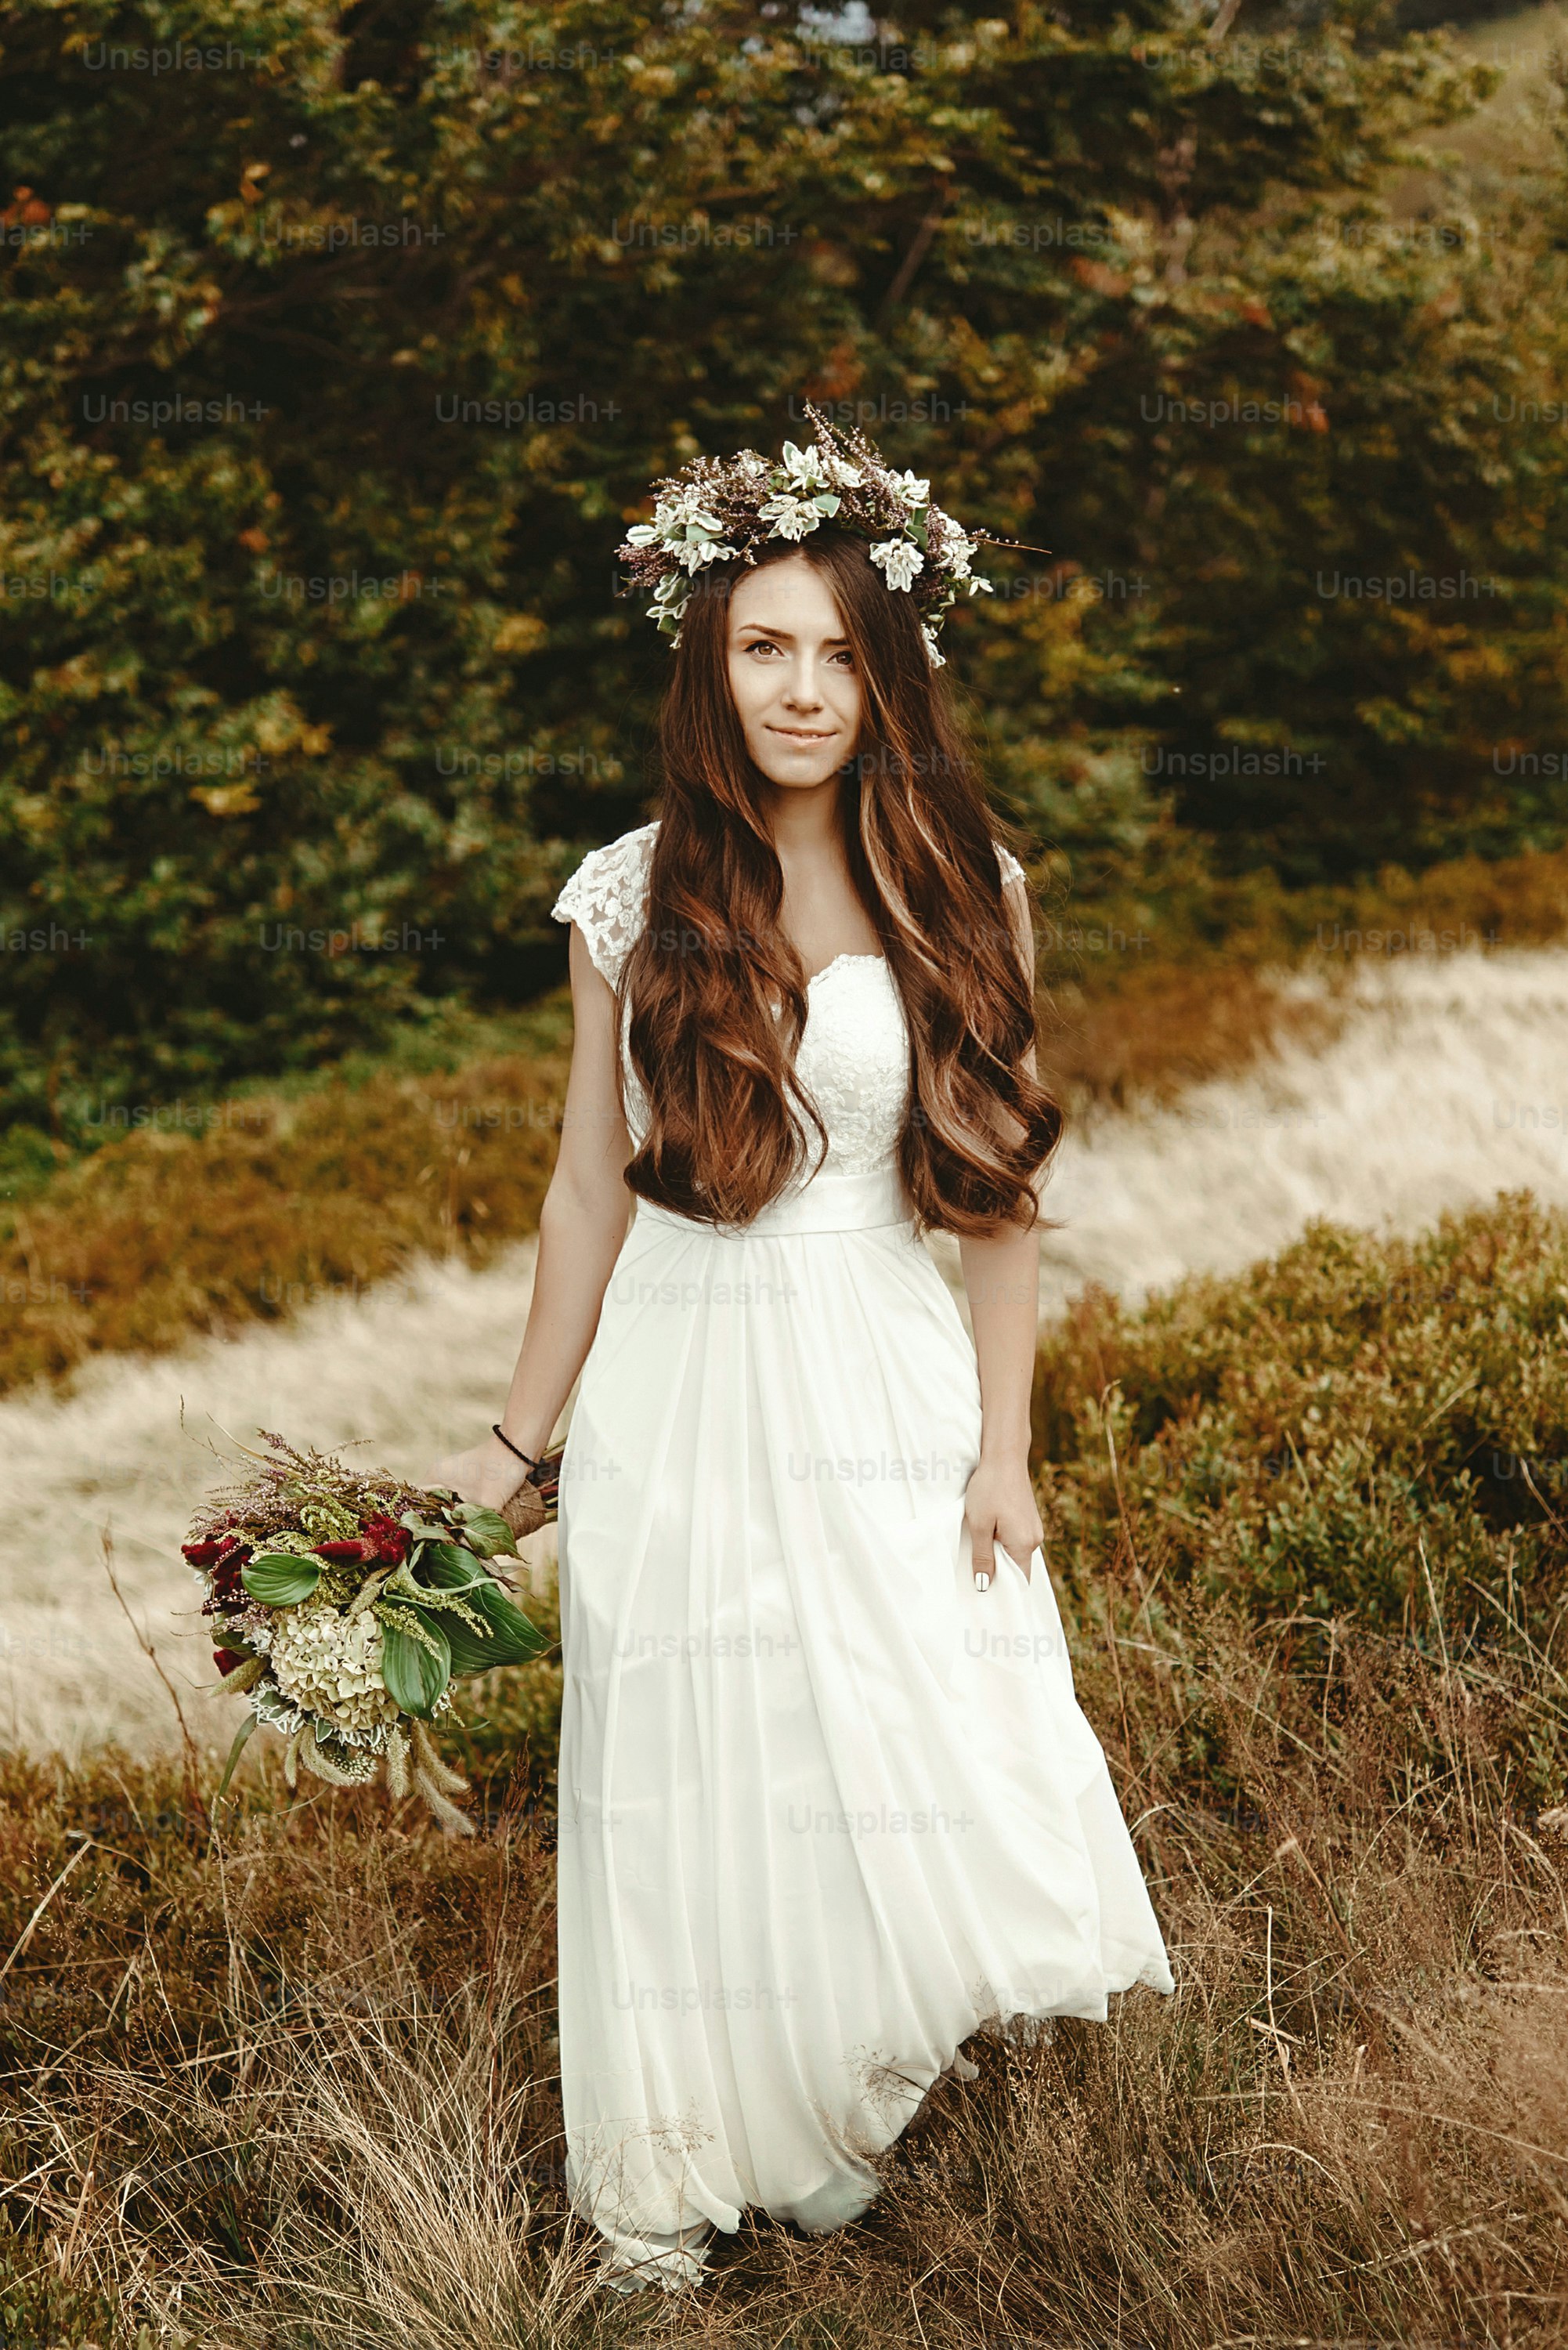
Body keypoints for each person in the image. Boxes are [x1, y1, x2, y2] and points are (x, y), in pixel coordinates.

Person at [432, 414, 1173, 2294]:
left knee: (924, 1717)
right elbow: (583, 1197)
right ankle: (679, 2166)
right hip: (679, 1374)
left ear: (889, 670)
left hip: (876, 1364)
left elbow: (994, 1202)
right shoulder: (628, 893)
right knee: (687, 1750)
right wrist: (521, 1449)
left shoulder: (961, 882)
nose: (803, 688)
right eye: (764, 647)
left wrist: (1002, 1451)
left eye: (841, 652)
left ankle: (851, 2107)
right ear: (707, 660)